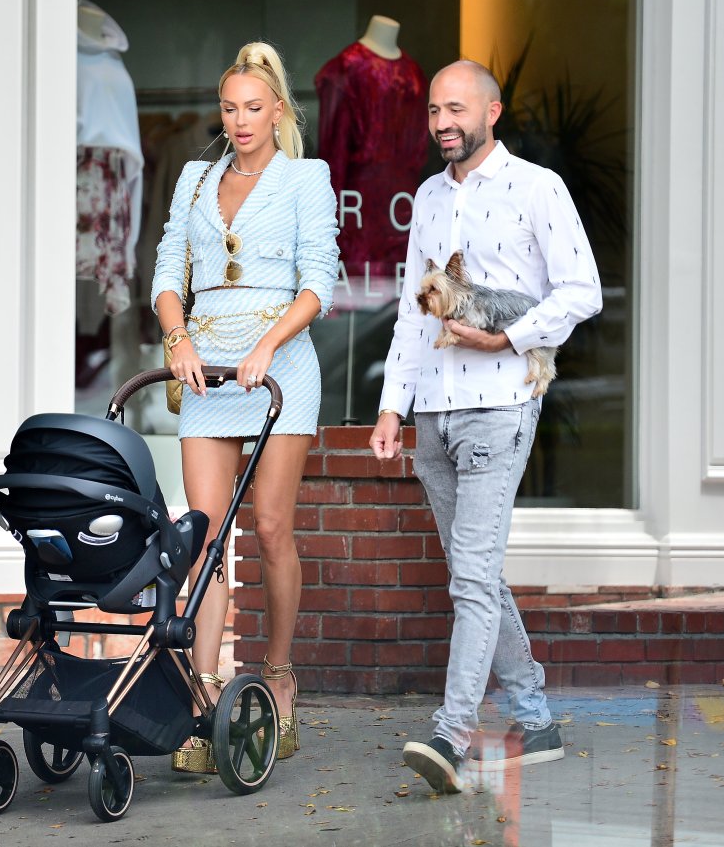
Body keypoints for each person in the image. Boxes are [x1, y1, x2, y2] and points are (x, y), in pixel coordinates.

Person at [369, 60, 602, 794]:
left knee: (469, 577)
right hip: (434, 414)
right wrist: (390, 406)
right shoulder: (429, 198)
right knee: (476, 575)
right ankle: (535, 717)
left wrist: (511, 339)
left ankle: (452, 733)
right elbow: (414, 309)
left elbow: (582, 290)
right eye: (435, 109)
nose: (443, 122)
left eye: (456, 108)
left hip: (502, 404)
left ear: (492, 112)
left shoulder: (538, 188)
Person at [150, 42, 339, 774]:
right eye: (229, 108)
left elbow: (319, 281)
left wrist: (267, 343)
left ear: (279, 111)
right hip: (205, 373)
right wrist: (175, 337)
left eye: (253, 108)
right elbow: (169, 269)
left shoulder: (305, 178)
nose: (239, 121)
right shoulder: (196, 179)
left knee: (269, 526)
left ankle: (281, 672)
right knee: (203, 536)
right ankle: (202, 697)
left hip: (279, 367)